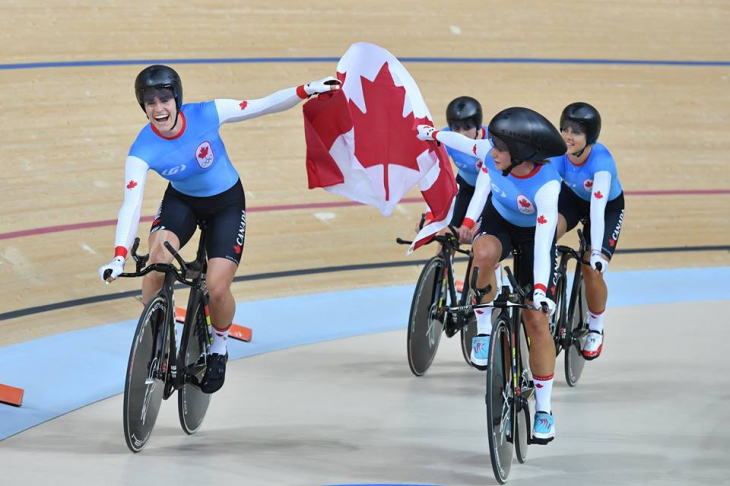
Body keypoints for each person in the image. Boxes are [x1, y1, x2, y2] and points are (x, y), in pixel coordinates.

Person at [99, 64, 339, 393]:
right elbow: (131, 205)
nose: (158, 109)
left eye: (164, 99)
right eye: (150, 102)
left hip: (226, 203)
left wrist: (305, 89)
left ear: (177, 99)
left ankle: (219, 347)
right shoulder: (141, 150)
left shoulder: (207, 113)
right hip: (181, 202)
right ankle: (155, 339)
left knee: (217, 288)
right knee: (155, 263)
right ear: (143, 107)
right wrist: (119, 256)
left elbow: (262, 104)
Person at [417, 106, 567, 444]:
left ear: (520, 155)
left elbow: (545, 243)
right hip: (501, 222)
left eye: (499, 148)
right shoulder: (492, 153)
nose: (491, 151)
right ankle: (483, 330)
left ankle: (544, 409)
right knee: (481, 255)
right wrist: (431, 134)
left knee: (536, 321)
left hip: (533, 240)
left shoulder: (547, 187)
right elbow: (462, 143)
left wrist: (541, 290)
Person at [551, 102, 624, 360]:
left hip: (605, 208)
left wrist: (595, 252)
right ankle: (544, 286)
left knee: (591, 269)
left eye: (577, 132)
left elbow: (596, 210)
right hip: (573, 199)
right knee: (548, 232)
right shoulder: (559, 152)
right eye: (565, 129)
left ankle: (596, 326)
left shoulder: (601, 162)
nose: (568, 136)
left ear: (589, 137)